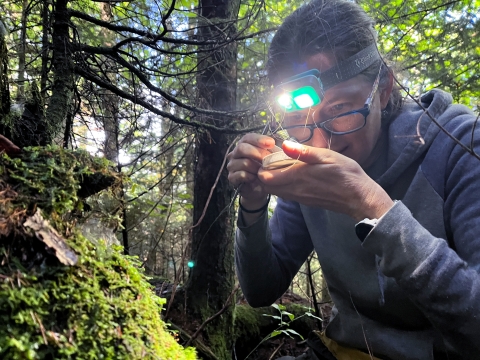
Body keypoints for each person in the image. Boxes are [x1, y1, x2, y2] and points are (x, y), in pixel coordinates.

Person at [226, 0, 480, 359]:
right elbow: (260, 289)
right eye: (298, 117)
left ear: (384, 88)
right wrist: (252, 206)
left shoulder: (460, 146)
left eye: (340, 110)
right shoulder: (303, 161)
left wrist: (373, 207)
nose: (320, 141)